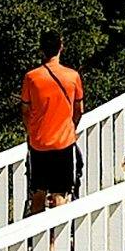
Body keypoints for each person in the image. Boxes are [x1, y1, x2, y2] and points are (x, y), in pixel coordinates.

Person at [20, 31, 85, 215]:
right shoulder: (72, 76)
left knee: (37, 193)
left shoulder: (31, 77)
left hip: (38, 143)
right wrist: (70, 127)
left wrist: (31, 131)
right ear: (61, 48)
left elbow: (25, 110)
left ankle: (37, 240)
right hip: (63, 142)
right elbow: (79, 109)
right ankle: (56, 241)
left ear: (41, 49)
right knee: (61, 194)